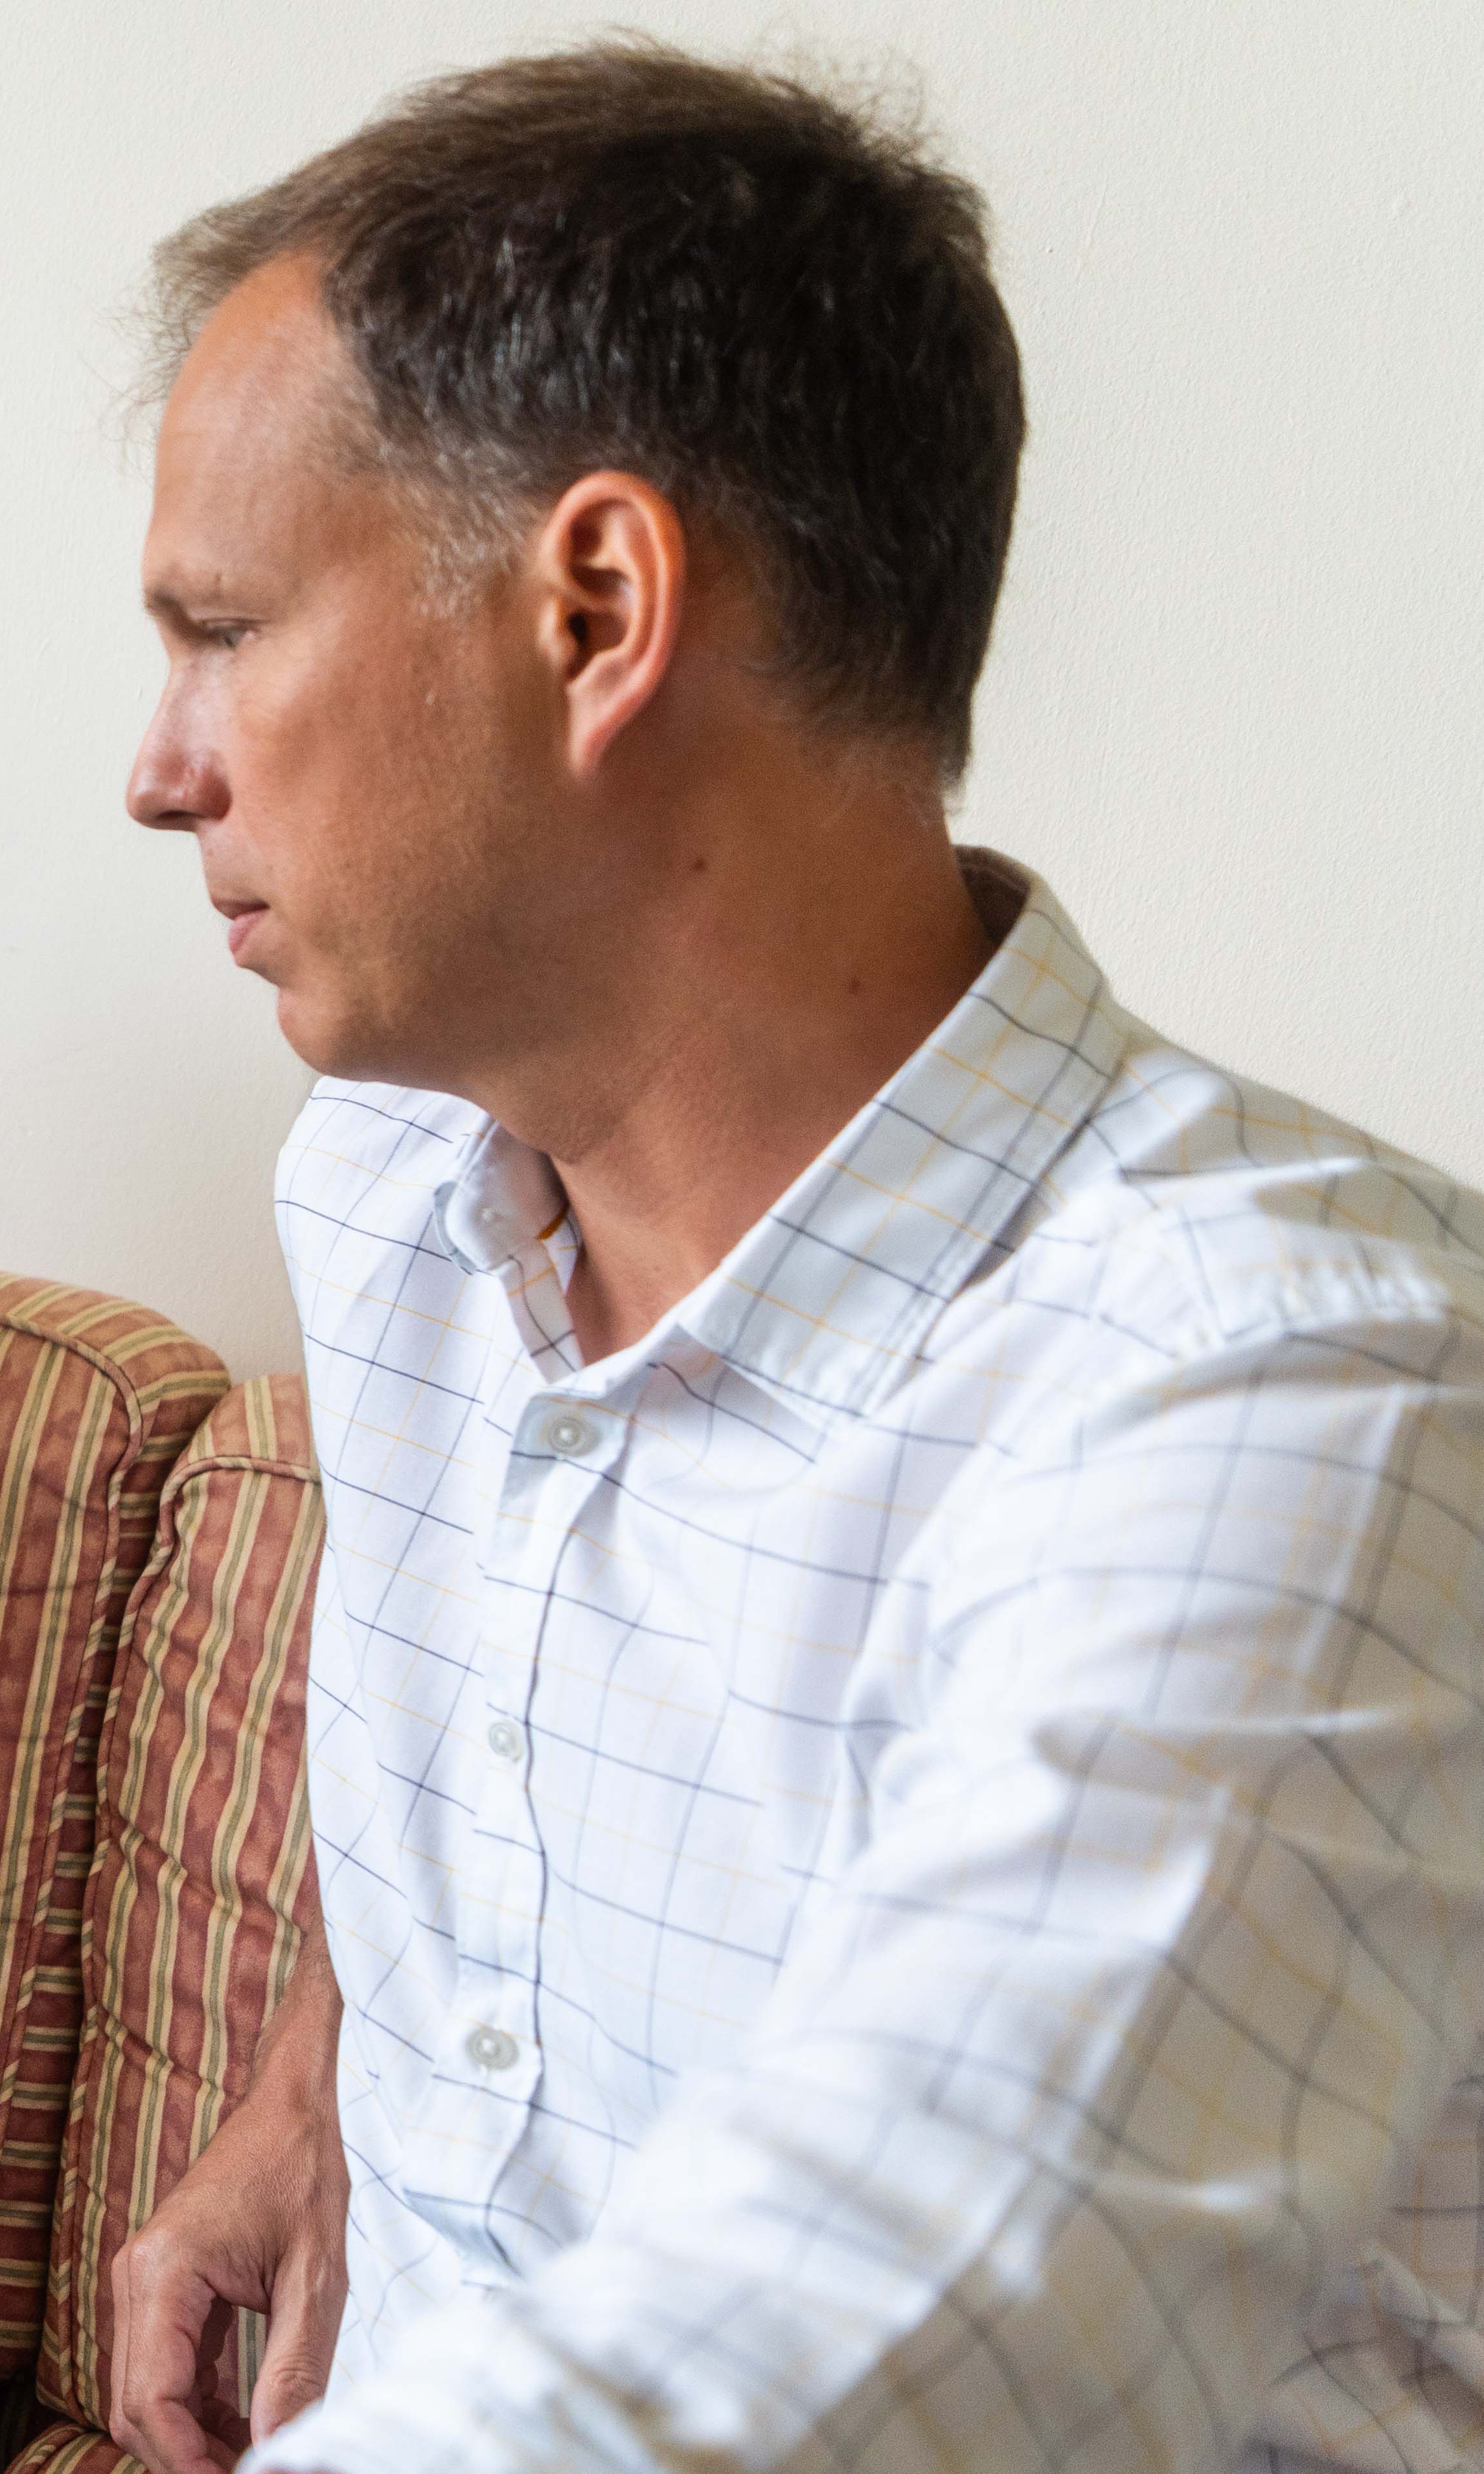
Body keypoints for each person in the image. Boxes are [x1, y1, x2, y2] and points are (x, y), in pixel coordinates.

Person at [108, 42, 1484, 2474]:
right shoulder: (389, 1192)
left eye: (221, 627)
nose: (160, 763)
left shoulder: (1294, 1388)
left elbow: (894, 2346)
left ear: (602, 606)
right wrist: (319, 2087)